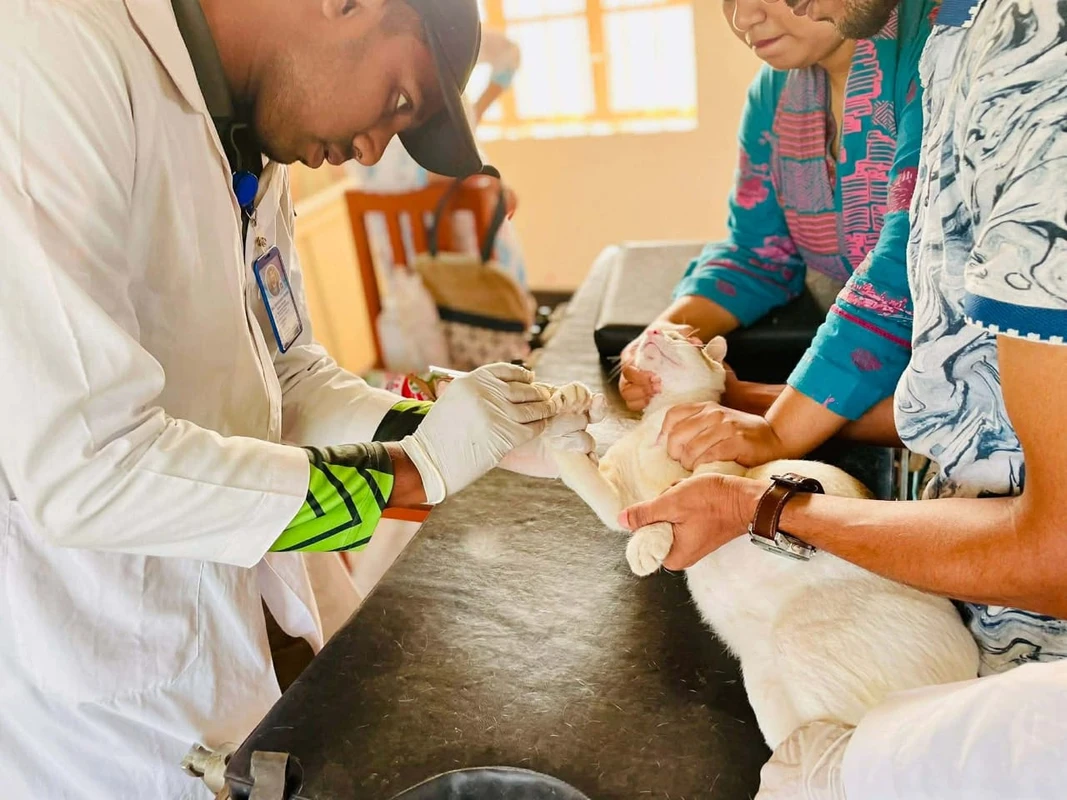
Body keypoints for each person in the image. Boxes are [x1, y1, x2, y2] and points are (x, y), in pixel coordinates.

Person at [0, 0, 594, 796]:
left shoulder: (252, 130)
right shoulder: (52, 54)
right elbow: (87, 471)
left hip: (233, 621)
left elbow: (285, 375)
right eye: (395, 104)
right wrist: (414, 470)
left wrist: (461, 431)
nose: (372, 148)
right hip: (102, 672)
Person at [620, 0, 1067, 797]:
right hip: (956, 489)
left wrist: (771, 457)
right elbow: (849, 270)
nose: (746, 14)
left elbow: (905, 272)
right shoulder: (916, 51)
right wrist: (684, 350)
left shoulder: (997, 53)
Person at [620, 0, 928, 455]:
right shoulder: (776, 93)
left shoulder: (933, 53)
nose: (744, 18)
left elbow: (902, 271)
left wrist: (772, 420)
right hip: (872, 386)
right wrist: (660, 342)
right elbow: (760, 254)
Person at [349, 27, 528, 286]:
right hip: (468, 256)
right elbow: (509, 55)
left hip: (404, 273)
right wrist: (473, 116)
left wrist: (474, 116)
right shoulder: (442, 32)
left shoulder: (352, 60)